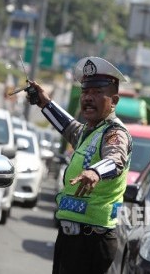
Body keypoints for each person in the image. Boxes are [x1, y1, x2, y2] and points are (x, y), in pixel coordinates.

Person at [26, 56, 132, 274]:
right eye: (85, 92)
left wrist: (95, 172)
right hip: (73, 239)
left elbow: (116, 159)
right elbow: (67, 125)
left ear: (114, 101)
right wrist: (44, 102)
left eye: (97, 93)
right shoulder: (88, 131)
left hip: (93, 241)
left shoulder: (115, 132)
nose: (88, 98)